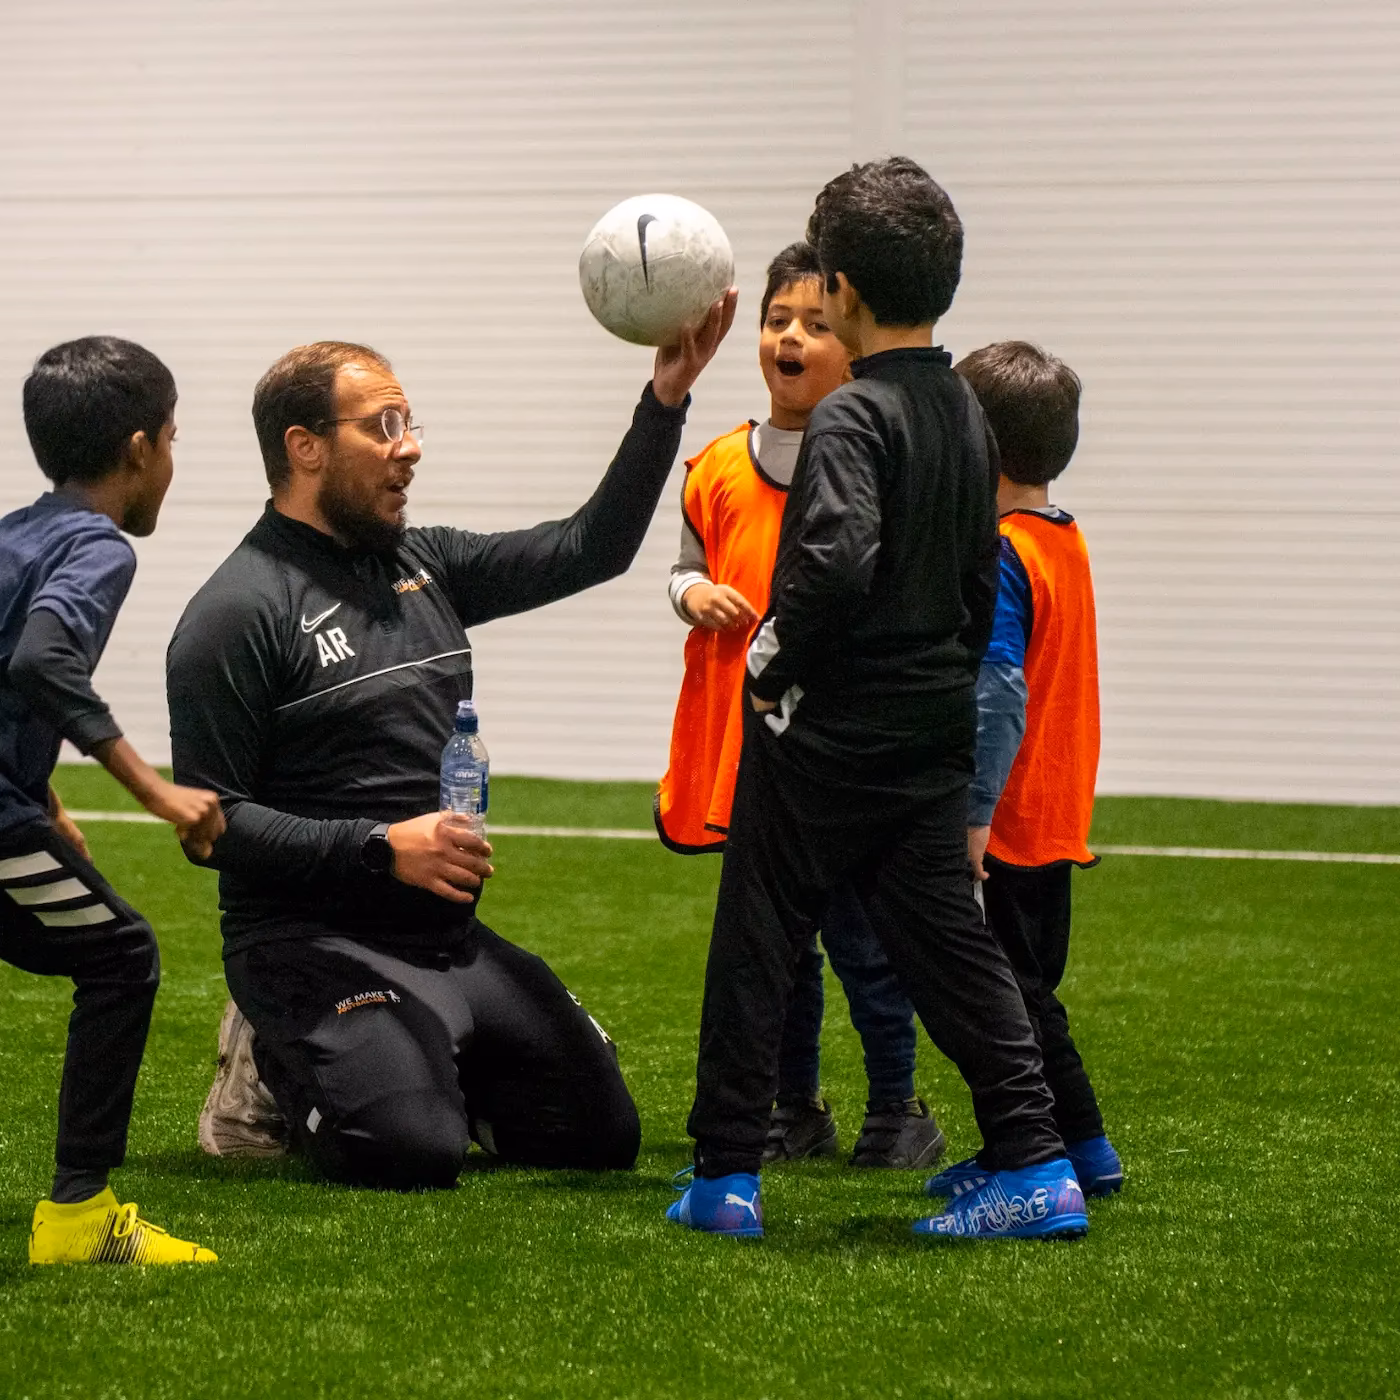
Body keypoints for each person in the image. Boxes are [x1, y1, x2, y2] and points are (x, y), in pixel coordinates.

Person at [170, 299, 735, 1191]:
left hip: (444, 938)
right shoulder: (237, 612)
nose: (410, 448)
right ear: (305, 447)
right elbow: (213, 827)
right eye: (382, 426)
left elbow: (590, 548)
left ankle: (423, 1065)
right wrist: (379, 847)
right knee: (409, 1152)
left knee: (598, 1136)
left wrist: (663, 401)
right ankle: (268, 1062)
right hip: (307, 943)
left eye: (410, 423)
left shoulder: (423, 562)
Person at [667, 158, 1087, 1241]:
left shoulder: (852, 415)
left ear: (841, 289)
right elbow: (975, 575)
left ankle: (725, 1177)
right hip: (930, 729)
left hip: (826, 734)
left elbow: (833, 564)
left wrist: (769, 663)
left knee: (758, 935)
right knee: (949, 945)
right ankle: (1036, 1160)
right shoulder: (966, 411)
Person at [657, 241, 944, 1169]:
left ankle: (899, 1109)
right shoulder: (714, 466)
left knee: (866, 939)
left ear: (853, 342)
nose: (791, 337)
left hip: (848, 748)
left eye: (817, 324)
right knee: (779, 947)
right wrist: (692, 594)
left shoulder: (870, 453)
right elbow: (685, 565)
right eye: (778, 320)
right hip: (754, 747)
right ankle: (794, 1108)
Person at [1, 336, 222, 1264]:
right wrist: (154, 789)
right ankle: (79, 1217)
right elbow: (41, 659)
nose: (171, 462)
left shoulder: (13, 533)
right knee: (122, 956)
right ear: (139, 448)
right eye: (172, 441)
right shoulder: (96, 547)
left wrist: (43, 794)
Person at [925, 340, 1123, 1201]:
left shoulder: (1004, 550)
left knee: (1014, 999)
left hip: (1010, 818)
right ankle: (1023, 1146)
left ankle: (1080, 1145)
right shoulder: (1064, 538)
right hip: (1056, 809)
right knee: (1025, 987)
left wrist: (974, 816)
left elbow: (1000, 690)